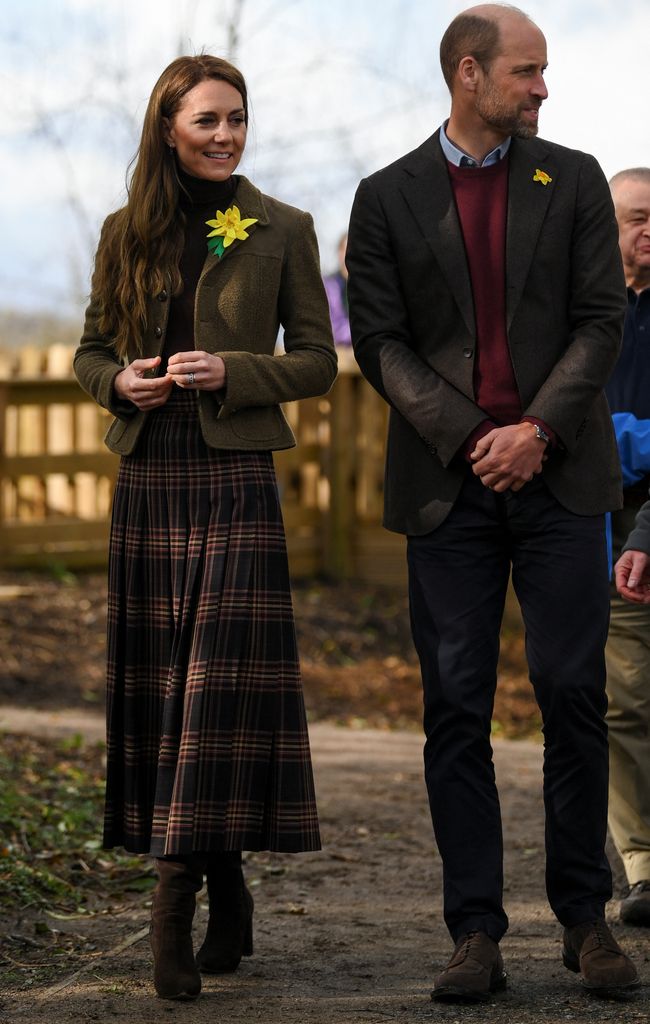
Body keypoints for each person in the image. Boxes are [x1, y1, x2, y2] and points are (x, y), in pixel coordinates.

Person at [346, 2, 639, 1003]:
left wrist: (534, 433)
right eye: (525, 70)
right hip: (447, 491)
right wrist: (476, 438)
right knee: (454, 708)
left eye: (543, 70)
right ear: (467, 76)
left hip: (560, 481)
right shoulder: (385, 196)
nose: (541, 87)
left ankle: (583, 920)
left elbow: (599, 321)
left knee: (571, 695)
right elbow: (379, 343)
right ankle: (472, 929)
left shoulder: (576, 180)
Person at [74, 55, 337, 1001]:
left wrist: (236, 371)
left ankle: (173, 892)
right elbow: (91, 348)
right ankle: (224, 871)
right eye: (208, 121)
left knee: (217, 686)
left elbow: (315, 360)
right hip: (150, 478)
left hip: (234, 481)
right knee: (168, 688)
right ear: (168, 127)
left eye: (238, 119)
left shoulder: (282, 230)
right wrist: (119, 383)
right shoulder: (123, 233)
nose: (226, 135)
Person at [606, 168, 650, 927]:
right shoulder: (586, 312)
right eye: (639, 219)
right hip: (603, 534)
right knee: (625, 705)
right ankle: (643, 867)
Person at [323, 233, 351, 346]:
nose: (349, 255)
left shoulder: (370, 287)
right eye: (345, 250)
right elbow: (333, 328)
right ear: (339, 253)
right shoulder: (329, 286)